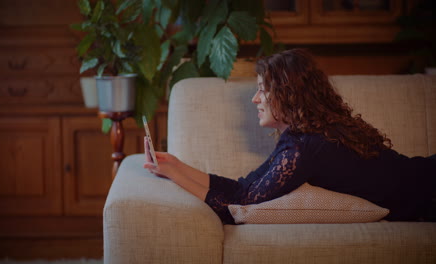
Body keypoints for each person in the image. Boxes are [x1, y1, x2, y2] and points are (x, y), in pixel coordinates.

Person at [143, 48, 436, 225]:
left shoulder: (305, 147)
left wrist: (175, 176)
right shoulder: (301, 137)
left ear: (288, 94)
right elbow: (244, 188)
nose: (255, 99)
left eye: (262, 89)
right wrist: (175, 166)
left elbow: (240, 209)